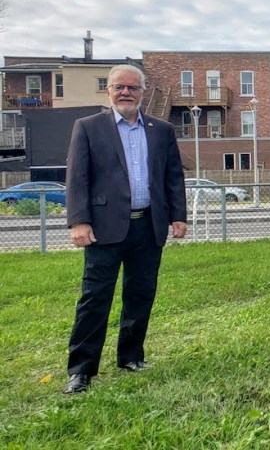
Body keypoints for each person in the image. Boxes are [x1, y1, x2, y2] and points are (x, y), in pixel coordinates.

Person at [63, 64, 187, 394]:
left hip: (149, 225)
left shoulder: (161, 130)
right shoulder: (88, 127)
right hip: (104, 229)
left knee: (140, 294)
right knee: (95, 298)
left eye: (133, 87)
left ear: (142, 92)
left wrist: (178, 216)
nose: (126, 93)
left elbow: (173, 176)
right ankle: (81, 369)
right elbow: (77, 178)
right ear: (108, 91)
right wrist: (78, 221)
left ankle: (131, 356)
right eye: (119, 87)